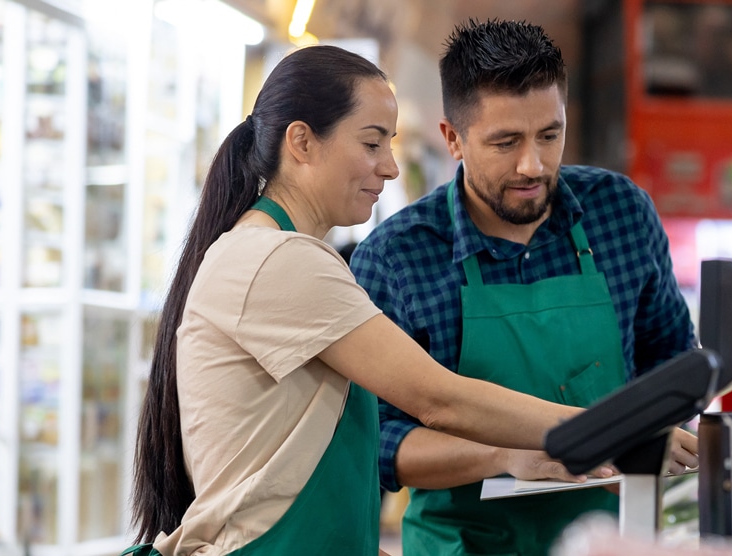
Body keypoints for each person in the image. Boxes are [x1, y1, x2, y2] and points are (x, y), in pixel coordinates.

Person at [124, 44, 598, 556]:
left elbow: (284, 468)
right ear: (302, 142)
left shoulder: (277, 252)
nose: (391, 168)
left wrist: (510, 453)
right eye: (372, 144)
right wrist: (609, 432)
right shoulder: (278, 259)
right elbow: (439, 399)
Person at [349, 19, 699, 555]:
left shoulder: (620, 214)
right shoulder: (398, 258)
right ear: (453, 139)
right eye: (506, 142)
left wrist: (654, 429)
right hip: (465, 543)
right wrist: (504, 455)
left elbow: (671, 360)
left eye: (549, 135)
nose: (533, 164)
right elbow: (375, 441)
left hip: (615, 538)